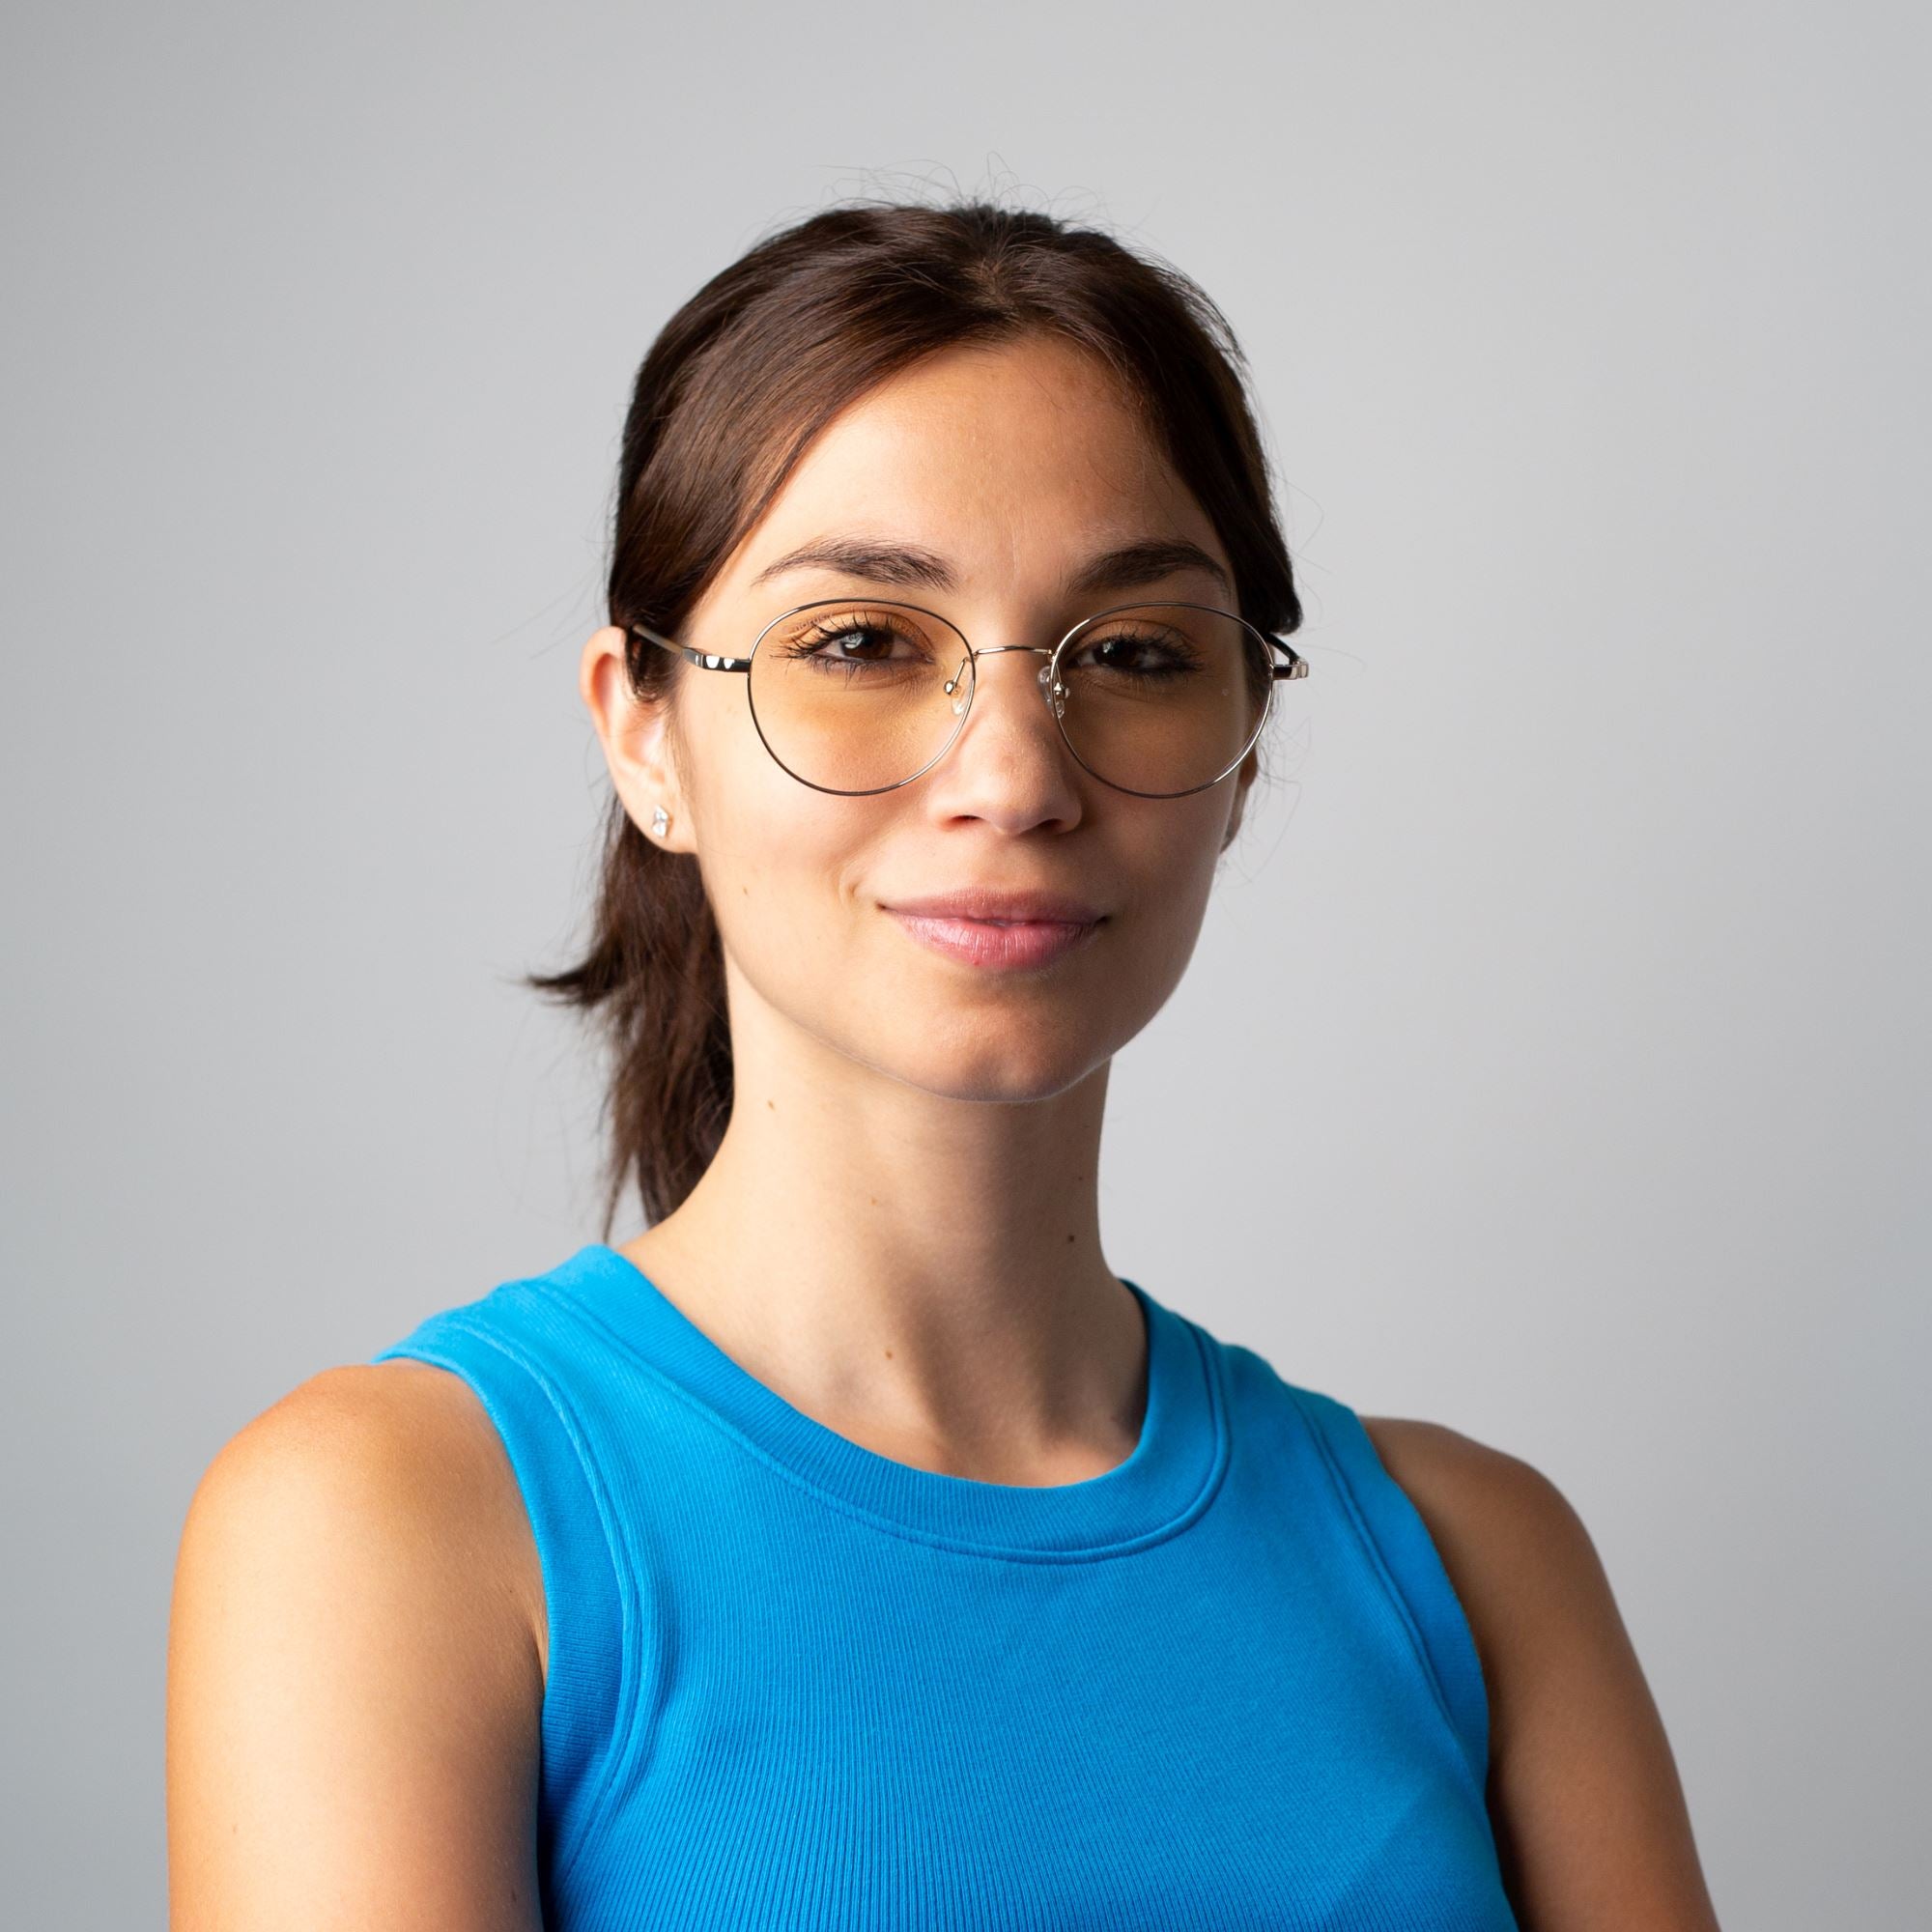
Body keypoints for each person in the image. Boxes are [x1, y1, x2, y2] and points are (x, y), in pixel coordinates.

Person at [166, 198, 1722, 1930]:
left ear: (1244, 758)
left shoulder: (1477, 1565)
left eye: (1130, 655)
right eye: (859, 644)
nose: (1015, 774)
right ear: (643, 732)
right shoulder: (393, 1530)